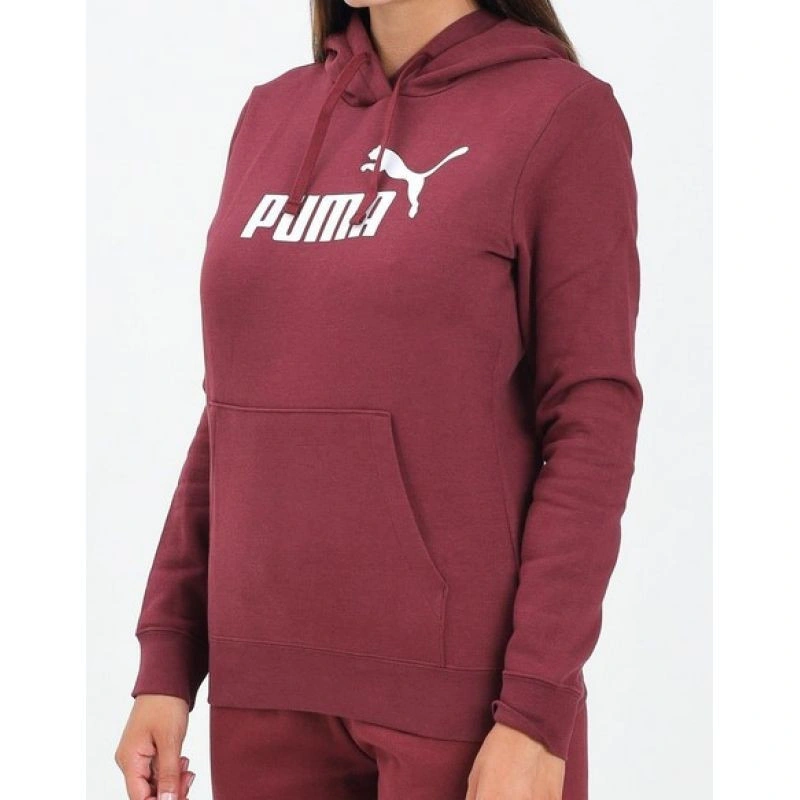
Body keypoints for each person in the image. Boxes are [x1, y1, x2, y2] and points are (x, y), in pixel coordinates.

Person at [114, 1, 644, 798]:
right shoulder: (273, 113)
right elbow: (230, 410)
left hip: (464, 706)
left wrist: (537, 712)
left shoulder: (560, 112)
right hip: (263, 689)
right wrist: (167, 658)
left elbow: (591, 419)